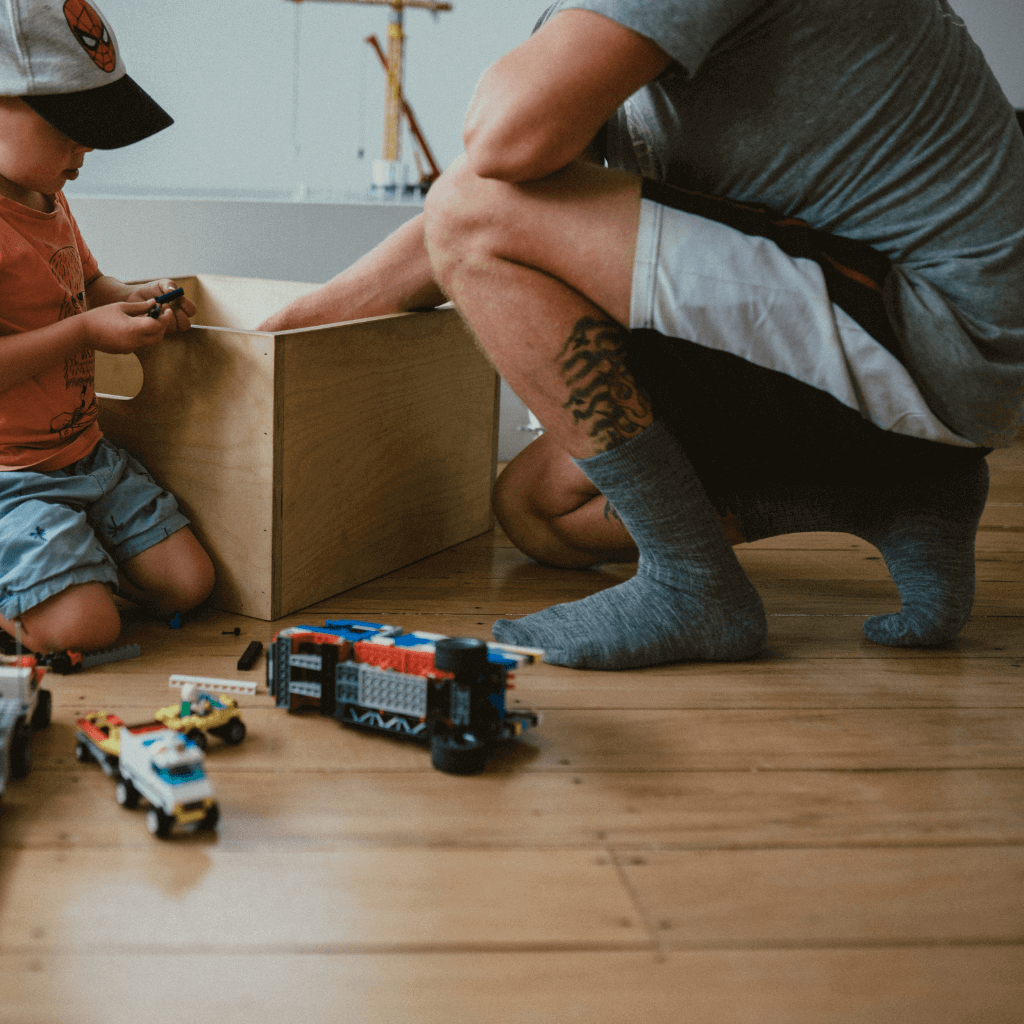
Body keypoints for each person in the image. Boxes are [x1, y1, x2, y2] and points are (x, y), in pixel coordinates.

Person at [261, 0, 1024, 670]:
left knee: (476, 211)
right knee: (541, 513)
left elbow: (497, 154)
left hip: (944, 331)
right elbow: (476, 210)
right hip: (876, 323)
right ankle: (899, 488)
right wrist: (283, 327)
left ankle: (693, 585)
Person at [0, 0, 214, 654]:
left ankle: (64, 569)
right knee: (86, 632)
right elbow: (79, 324)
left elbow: (87, 286)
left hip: (85, 454)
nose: (86, 147)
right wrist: (87, 334)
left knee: (189, 584)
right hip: (10, 478)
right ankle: (55, 586)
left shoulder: (48, 194)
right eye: (68, 127)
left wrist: (133, 297)